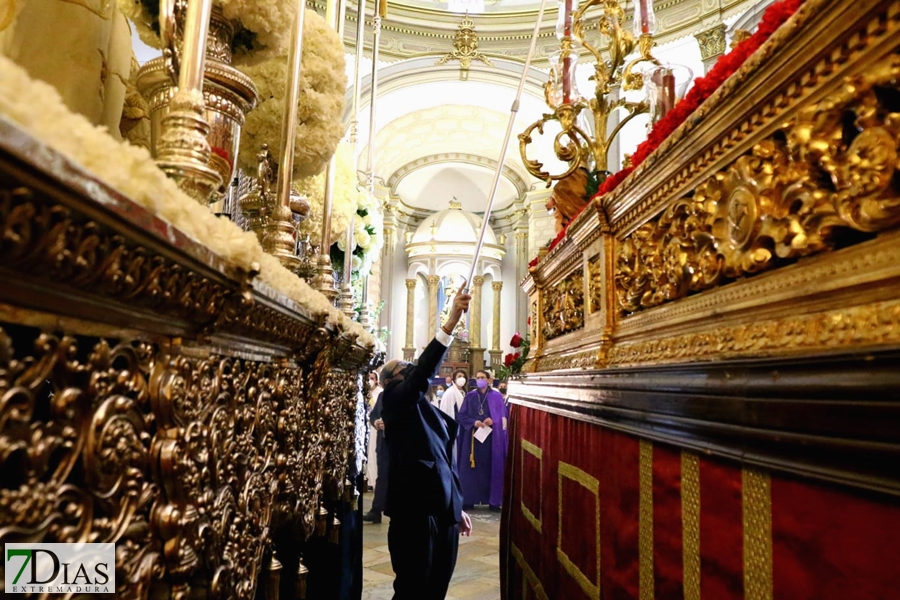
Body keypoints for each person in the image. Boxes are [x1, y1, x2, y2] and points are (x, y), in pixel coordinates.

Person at [380, 285, 474, 600]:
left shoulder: (422, 407)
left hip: (441, 512)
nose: (410, 370)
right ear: (392, 379)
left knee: (436, 589)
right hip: (414, 514)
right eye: (403, 369)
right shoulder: (394, 399)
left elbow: (442, 458)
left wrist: (455, 506)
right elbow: (421, 374)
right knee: (412, 590)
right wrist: (448, 325)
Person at [456, 370, 508, 511]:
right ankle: (469, 499)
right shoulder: (470, 396)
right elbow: (461, 416)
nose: (480, 380)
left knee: (490, 468)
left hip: (491, 440)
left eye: (482, 378)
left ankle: (493, 502)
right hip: (473, 440)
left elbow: (503, 418)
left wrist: (493, 420)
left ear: (489, 380)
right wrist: (474, 422)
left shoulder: (496, 397)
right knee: (471, 469)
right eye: (478, 377)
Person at [363, 386, 389, 524]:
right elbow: (373, 415)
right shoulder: (383, 395)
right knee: (382, 478)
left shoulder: (406, 395)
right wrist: (376, 422)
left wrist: (390, 424)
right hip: (383, 443)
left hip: (398, 444)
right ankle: (376, 510)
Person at [366, 371, 383, 491]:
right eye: (369, 378)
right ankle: (369, 480)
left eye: (372, 378)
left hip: (375, 427)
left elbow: (376, 409)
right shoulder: (366, 391)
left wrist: (371, 398)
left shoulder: (380, 392)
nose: (370, 380)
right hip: (367, 426)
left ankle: (375, 480)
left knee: (374, 453)